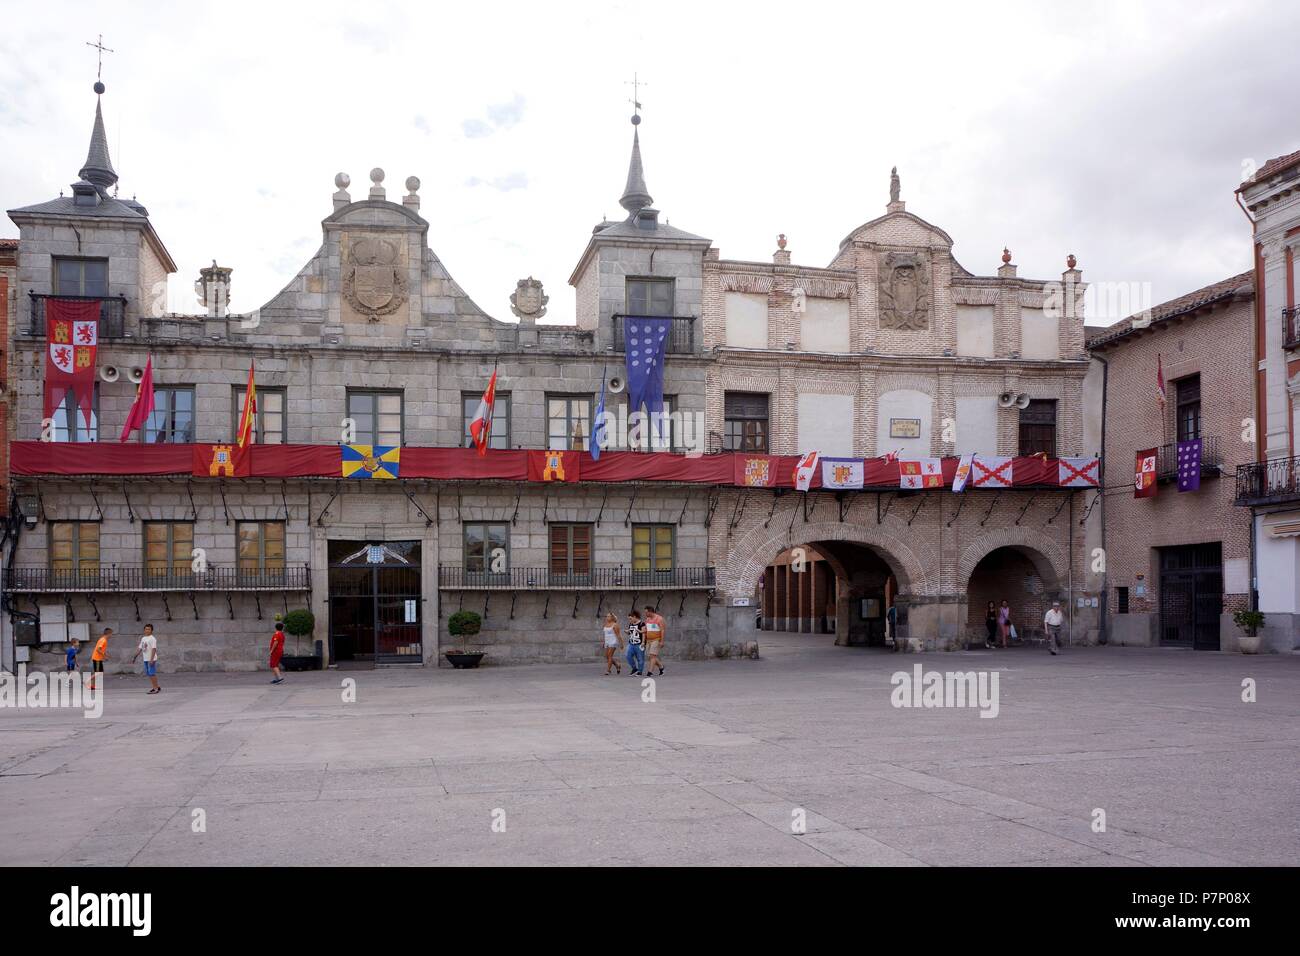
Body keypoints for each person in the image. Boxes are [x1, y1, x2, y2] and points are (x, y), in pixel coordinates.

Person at [131, 624, 161, 694]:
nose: (147, 630)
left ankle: (155, 689)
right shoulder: (143, 638)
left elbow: (154, 649)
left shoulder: (152, 638)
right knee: (149, 674)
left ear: (151, 630)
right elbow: (140, 648)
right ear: (144, 630)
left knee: (152, 674)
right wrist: (134, 657)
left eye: (149, 629)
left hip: (151, 659)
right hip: (146, 659)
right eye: (146, 629)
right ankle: (156, 686)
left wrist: (151, 659)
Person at [643, 605, 666, 676]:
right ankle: (661, 667)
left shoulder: (659, 619)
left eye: (646, 612)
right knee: (651, 656)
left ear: (650, 612)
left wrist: (662, 641)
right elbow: (646, 630)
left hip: (656, 640)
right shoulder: (647, 619)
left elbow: (662, 630)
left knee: (652, 656)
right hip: (648, 640)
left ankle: (650, 672)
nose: (645, 614)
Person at [625, 611, 645, 676]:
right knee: (628, 655)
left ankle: (640, 671)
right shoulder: (631, 624)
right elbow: (630, 632)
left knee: (640, 658)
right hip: (631, 643)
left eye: (630, 618)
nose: (629, 620)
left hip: (639, 643)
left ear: (634, 617)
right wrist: (627, 632)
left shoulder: (642, 623)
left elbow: (644, 633)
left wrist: (643, 642)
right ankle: (634, 668)